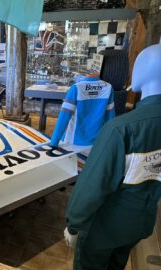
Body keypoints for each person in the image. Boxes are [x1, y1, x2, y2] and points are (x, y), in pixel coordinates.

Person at [64, 44, 161, 270]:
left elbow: (93, 185)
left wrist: (74, 224)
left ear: (144, 73)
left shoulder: (122, 130)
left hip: (105, 227)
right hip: (141, 222)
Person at [50, 73, 115, 147]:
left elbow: (64, 117)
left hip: (73, 140)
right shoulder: (108, 88)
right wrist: (110, 141)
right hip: (97, 140)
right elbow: (110, 118)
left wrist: (54, 142)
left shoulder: (76, 88)